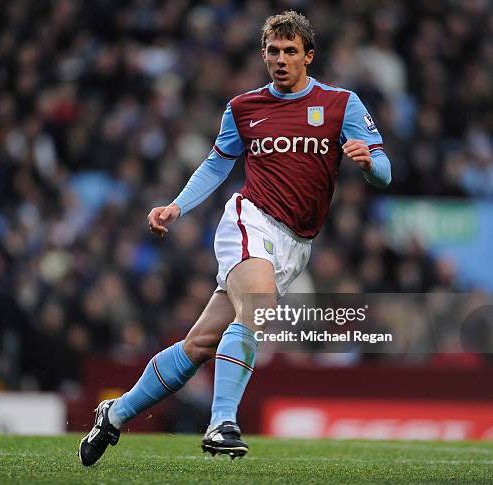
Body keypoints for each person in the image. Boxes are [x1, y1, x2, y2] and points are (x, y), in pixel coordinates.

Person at [79, 10, 391, 465]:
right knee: (257, 308)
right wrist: (177, 206)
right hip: (251, 219)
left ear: (308, 55)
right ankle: (222, 421)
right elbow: (216, 165)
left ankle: (116, 413)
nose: (280, 59)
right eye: (272, 51)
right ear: (263, 55)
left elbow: (385, 171)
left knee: (200, 344)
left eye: (290, 51)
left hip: (295, 244)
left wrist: (367, 163)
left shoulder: (342, 103)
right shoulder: (244, 108)